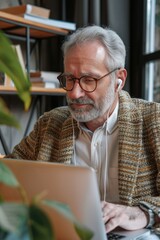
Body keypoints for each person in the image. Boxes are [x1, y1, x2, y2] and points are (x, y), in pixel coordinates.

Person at [6, 25, 160, 234]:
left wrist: (142, 213)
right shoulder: (50, 124)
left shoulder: (154, 121)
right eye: (69, 79)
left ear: (119, 80)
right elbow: (8, 175)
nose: (75, 93)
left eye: (89, 80)